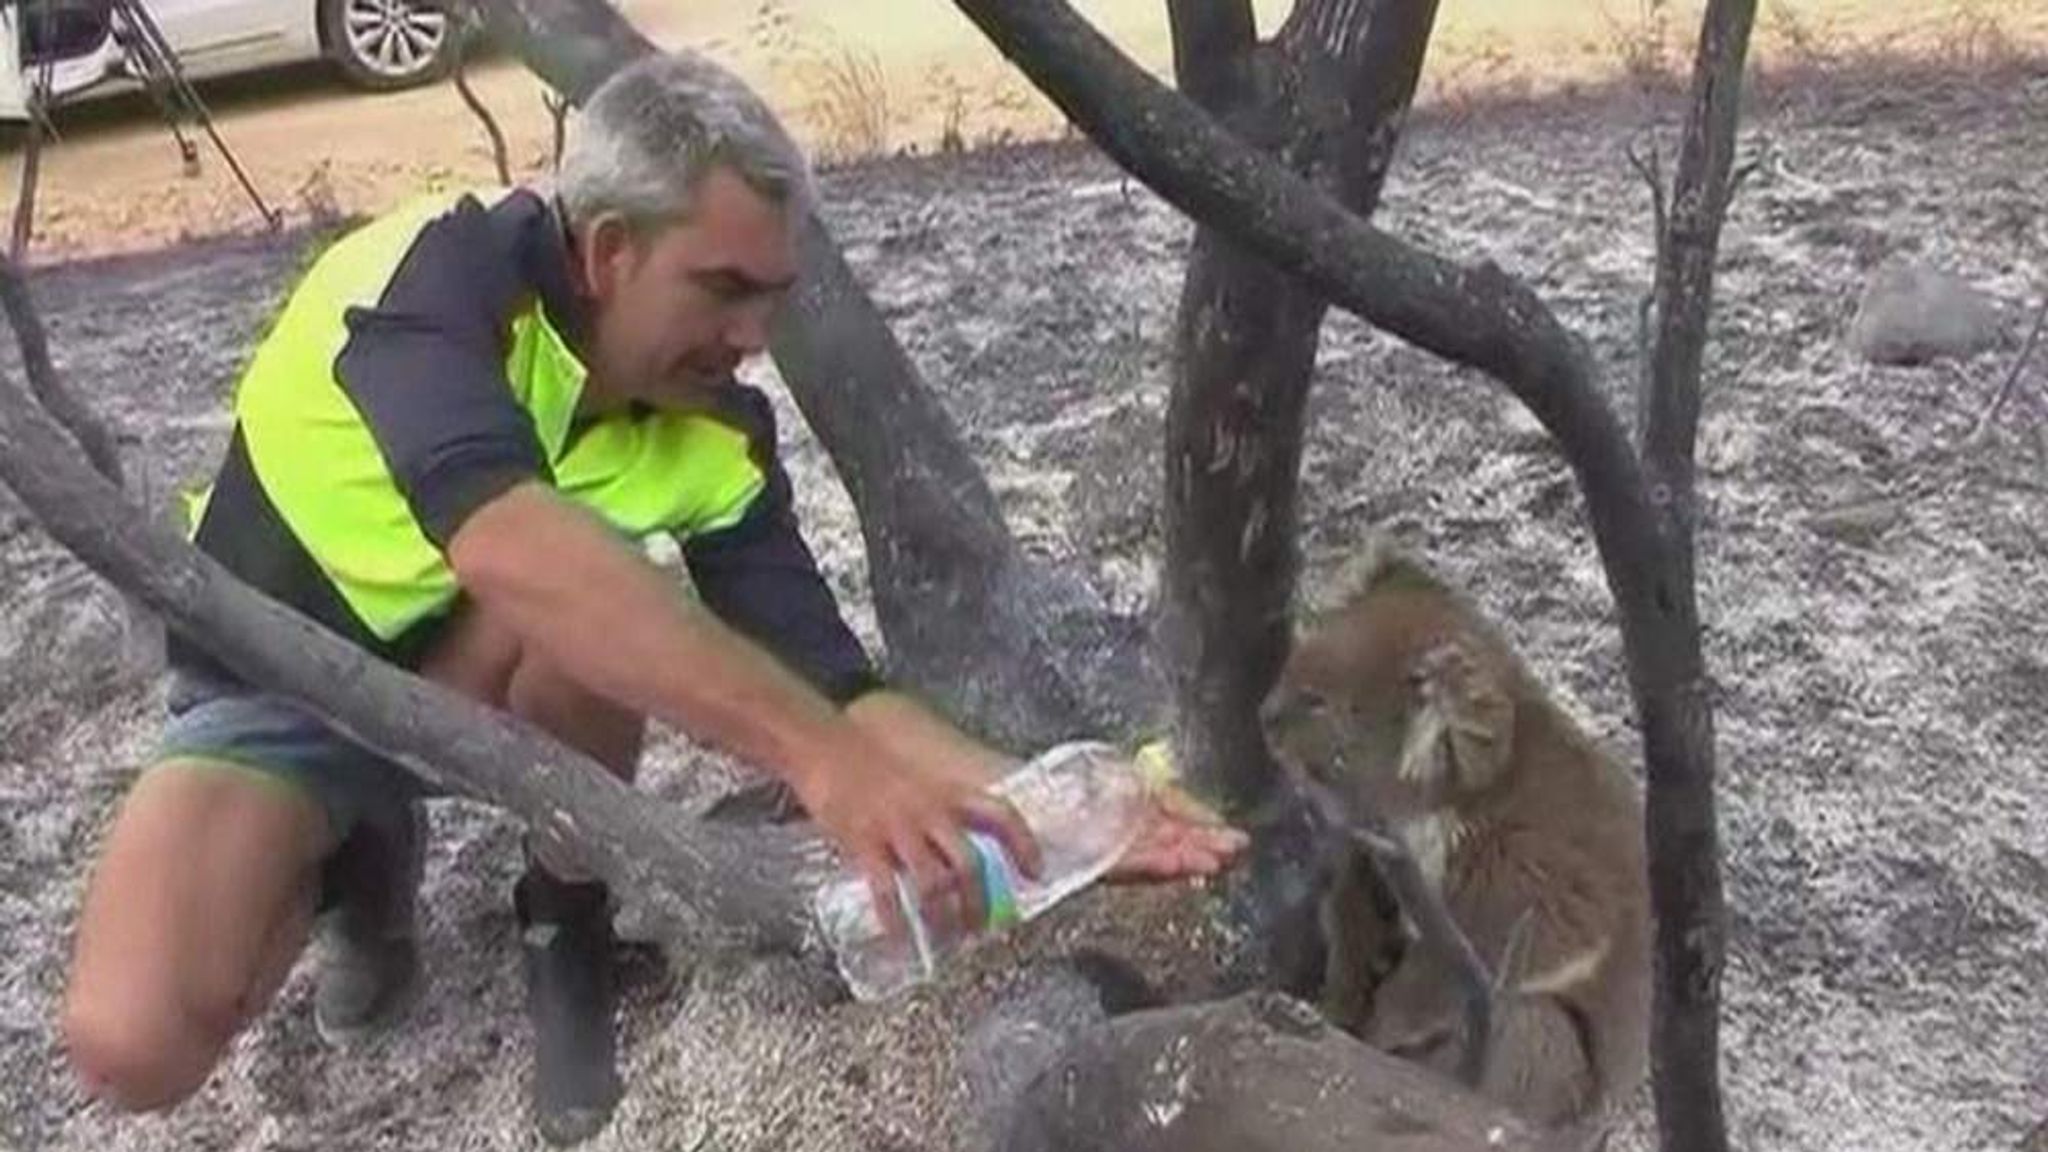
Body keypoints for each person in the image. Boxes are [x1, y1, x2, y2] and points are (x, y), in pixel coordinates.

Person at [58, 49, 1245, 1148]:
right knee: (138, 1044)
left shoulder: (720, 433)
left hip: (491, 690)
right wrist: (819, 764)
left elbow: (833, 684)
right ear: (610, 249)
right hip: (281, 680)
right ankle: (347, 860)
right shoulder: (425, 287)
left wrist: (1056, 818)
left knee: (592, 623)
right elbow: (510, 543)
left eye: (771, 298)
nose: (752, 337)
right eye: (722, 289)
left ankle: (561, 917)